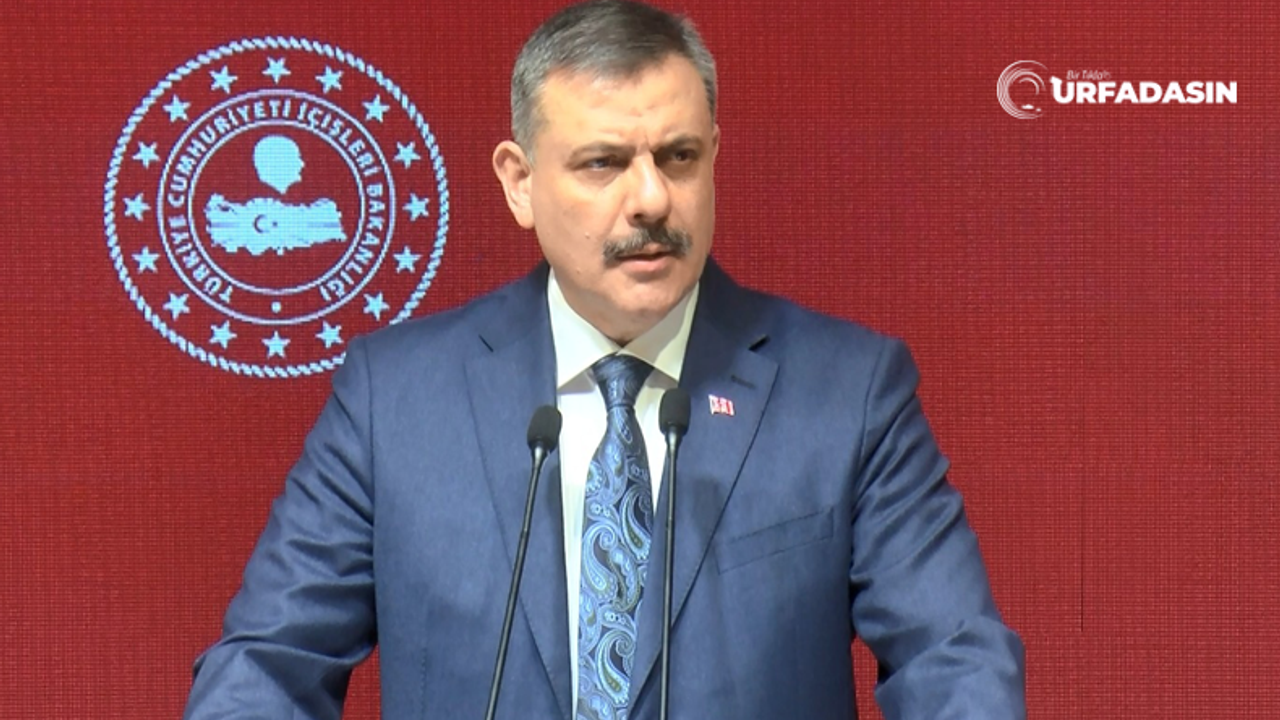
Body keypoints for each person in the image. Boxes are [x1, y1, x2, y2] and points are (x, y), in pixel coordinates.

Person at [182, 1, 1026, 718]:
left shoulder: (847, 392)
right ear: (519, 182)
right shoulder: (394, 399)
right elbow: (265, 667)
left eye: (679, 157)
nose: (651, 198)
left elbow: (954, 662)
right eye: (604, 163)